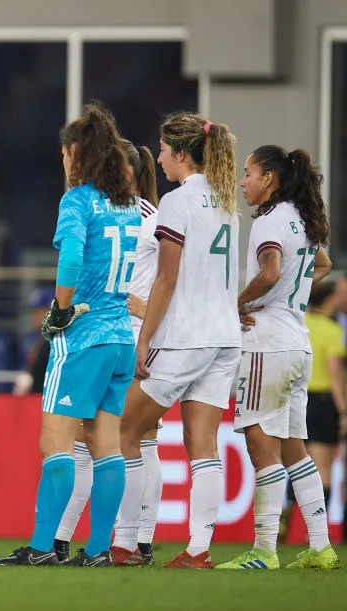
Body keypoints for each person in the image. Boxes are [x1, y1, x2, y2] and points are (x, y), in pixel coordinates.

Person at [0, 103, 139, 568]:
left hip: (83, 336)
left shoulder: (77, 200)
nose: (62, 160)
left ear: (76, 153)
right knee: (106, 446)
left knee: (55, 444)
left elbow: (72, 260)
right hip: (120, 338)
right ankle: (98, 551)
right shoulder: (128, 204)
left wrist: (60, 310)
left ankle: (39, 549)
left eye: (63, 153)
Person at [117, 113, 241, 569]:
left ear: (182, 153)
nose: (161, 157)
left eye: (165, 150)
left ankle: (126, 543)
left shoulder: (177, 202)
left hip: (185, 336)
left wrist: (144, 339)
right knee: (202, 445)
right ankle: (198, 550)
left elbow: (166, 279)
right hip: (225, 338)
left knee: (123, 429)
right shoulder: (227, 198)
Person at [217, 146, 338, 570]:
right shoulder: (301, 219)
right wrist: (291, 295)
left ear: (269, 177)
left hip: (268, 343)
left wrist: (238, 303)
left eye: (249, 173)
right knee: (293, 449)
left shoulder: (269, 221)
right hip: (296, 342)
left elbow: (268, 272)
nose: (243, 181)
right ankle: (321, 548)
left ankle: (265, 551)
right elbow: (320, 265)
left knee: (259, 442)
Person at [53, 139, 164, 566]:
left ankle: (74, 540)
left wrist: (148, 308)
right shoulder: (150, 215)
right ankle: (137, 541)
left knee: (91, 440)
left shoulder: (120, 213)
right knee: (139, 441)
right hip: (136, 338)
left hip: (118, 336)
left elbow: (174, 277)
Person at [303, 283, 346, 518]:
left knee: (298, 463)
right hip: (322, 402)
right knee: (323, 469)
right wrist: (344, 412)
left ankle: (285, 519)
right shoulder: (333, 330)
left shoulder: (300, 324)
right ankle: (318, 531)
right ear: (329, 300)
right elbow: (335, 375)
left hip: (297, 400)